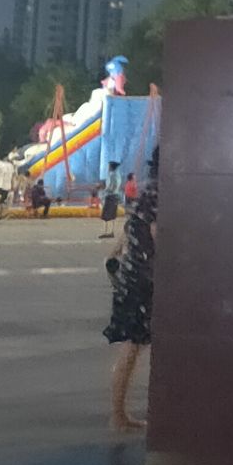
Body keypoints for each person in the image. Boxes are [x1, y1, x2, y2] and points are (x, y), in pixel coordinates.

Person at [105, 148, 158, 431]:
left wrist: (115, 256)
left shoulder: (147, 192)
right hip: (143, 279)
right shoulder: (159, 193)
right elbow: (157, 236)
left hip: (132, 276)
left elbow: (128, 231)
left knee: (134, 346)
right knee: (133, 346)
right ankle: (118, 416)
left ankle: (119, 414)